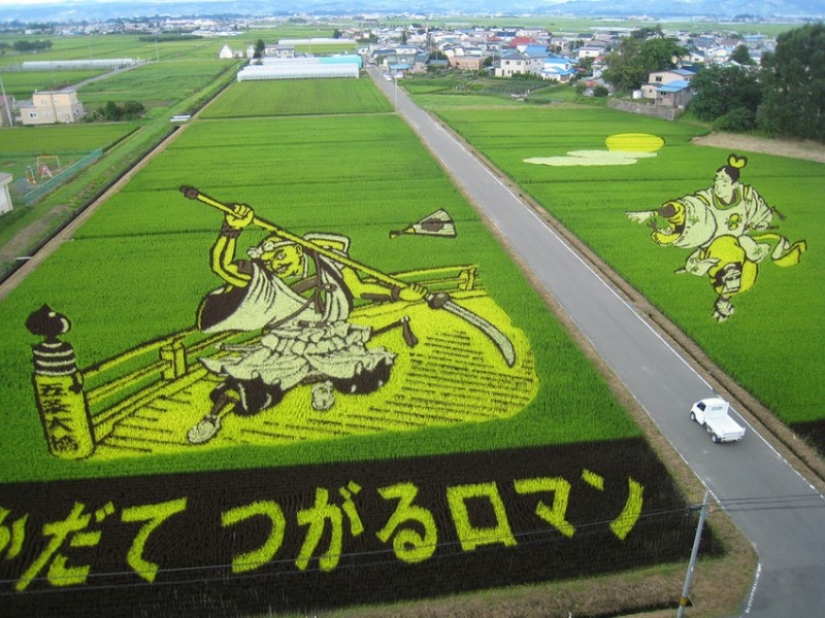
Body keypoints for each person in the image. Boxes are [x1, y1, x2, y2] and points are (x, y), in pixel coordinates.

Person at [187, 203, 427, 444]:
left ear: (297, 248)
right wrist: (231, 229)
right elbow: (222, 266)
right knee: (250, 381)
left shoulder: (327, 259)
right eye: (270, 262)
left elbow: (359, 288)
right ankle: (211, 419)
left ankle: (322, 383)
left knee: (356, 369)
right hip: (286, 340)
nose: (276, 264)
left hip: (328, 334)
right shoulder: (263, 279)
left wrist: (399, 294)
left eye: (280, 255)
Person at [626, 153, 806, 321]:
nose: (718, 186)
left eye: (724, 182)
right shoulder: (705, 200)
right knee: (709, 264)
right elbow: (680, 209)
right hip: (713, 246)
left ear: (734, 184)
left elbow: (762, 216)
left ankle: (724, 300)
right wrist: (653, 213)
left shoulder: (746, 195)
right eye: (717, 180)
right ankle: (723, 299)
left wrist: (761, 223)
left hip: (737, 246)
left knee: (743, 255)